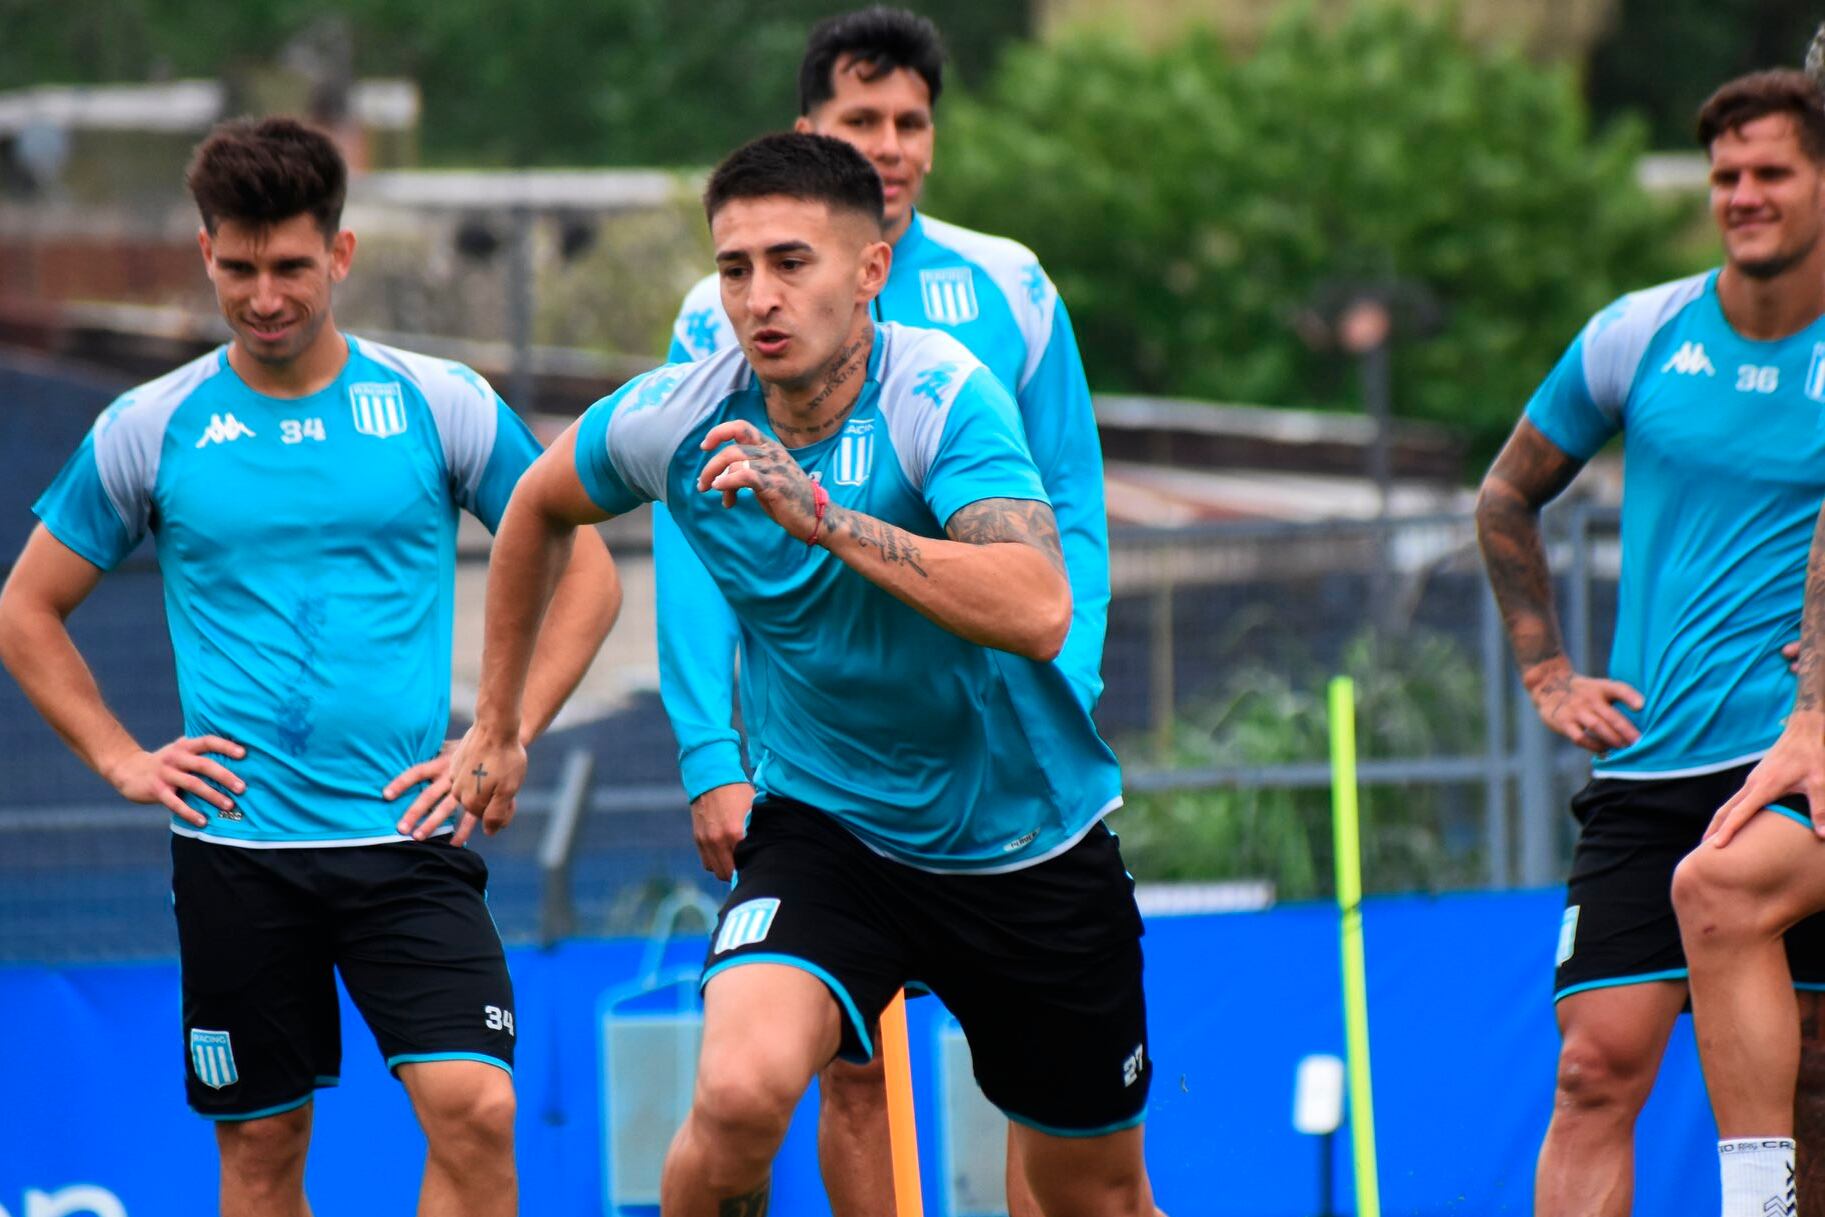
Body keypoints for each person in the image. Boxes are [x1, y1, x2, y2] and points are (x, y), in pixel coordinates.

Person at [440, 131, 1157, 1217]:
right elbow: (538, 506)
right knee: (737, 1094)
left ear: (870, 270)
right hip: (831, 833)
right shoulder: (679, 415)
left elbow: (1038, 604)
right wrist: (497, 722)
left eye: (789, 262)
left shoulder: (940, 395)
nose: (758, 297)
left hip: (1025, 841)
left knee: (1091, 1198)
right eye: (734, 269)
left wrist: (824, 517)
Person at [0, 117, 619, 1217]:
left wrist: (504, 729)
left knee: (476, 1108)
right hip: (238, 855)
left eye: (290, 266)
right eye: (238, 268)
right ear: (206, 253)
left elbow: (590, 577)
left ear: (340, 253)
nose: (265, 295)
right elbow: (26, 608)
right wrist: (122, 758)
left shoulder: (438, 400)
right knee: (262, 1148)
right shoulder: (150, 423)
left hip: (408, 837)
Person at [655, 10, 1106, 1211]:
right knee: (842, 1063)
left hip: (1007, 766)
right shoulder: (721, 315)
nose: (892, 144)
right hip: (828, 774)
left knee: (1049, 1107)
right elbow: (691, 537)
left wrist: (1071, 679)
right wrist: (709, 750)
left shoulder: (1008, 286)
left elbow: (1070, 504)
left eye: (912, 120)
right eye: (863, 120)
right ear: (811, 132)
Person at [1475, 70, 1825, 1217]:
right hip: (1645, 769)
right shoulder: (1638, 333)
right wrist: (1547, 671)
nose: (1742, 195)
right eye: (1725, 175)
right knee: (1589, 1072)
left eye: (1770, 171)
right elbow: (1504, 495)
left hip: (1792, 762)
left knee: (1810, 1079)